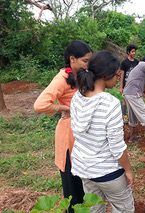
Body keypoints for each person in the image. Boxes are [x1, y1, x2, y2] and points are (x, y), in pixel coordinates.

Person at [70, 51, 135, 213]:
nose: (118, 77)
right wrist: (128, 170)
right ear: (106, 76)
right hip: (108, 173)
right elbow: (117, 147)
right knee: (123, 209)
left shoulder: (77, 96)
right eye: (117, 74)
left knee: (94, 209)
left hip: (84, 170)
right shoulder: (110, 103)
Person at [34, 40, 93, 212]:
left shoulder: (79, 75)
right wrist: (65, 108)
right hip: (69, 137)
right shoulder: (62, 79)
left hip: (81, 134)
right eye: (85, 61)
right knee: (72, 184)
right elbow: (40, 104)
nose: (88, 65)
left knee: (83, 183)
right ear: (72, 59)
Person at [119, 44, 139, 124]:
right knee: (125, 99)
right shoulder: (124, 63)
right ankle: (124, 116)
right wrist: (121, 87)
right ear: (128, 52)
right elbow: (122, 75)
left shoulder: (137, 62)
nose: (134, 53)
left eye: (134, 52)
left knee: (135, 99)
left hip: (135, 84)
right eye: (132, 52)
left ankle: (133, 116)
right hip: (126, 84)